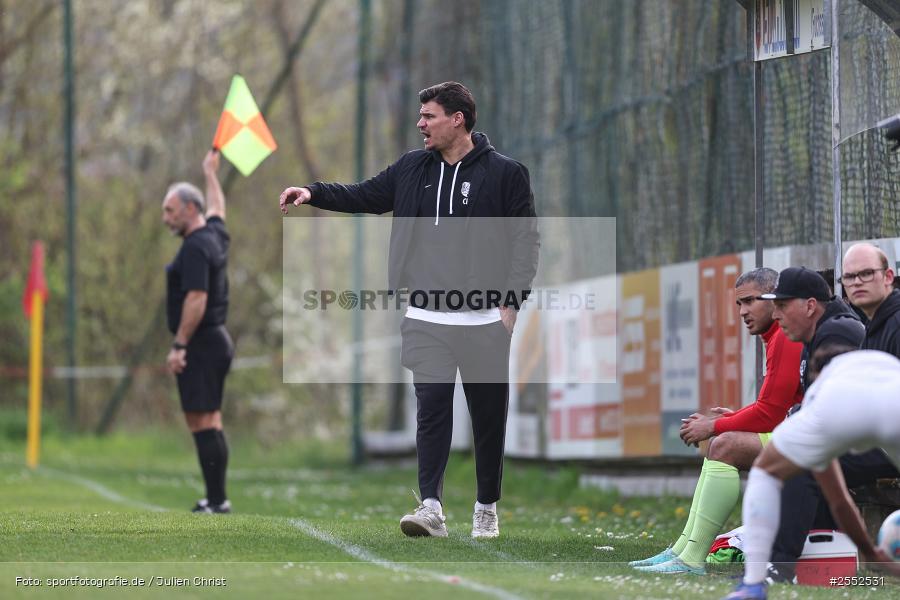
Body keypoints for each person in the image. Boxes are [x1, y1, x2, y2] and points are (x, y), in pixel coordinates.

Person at [279, 82, 539, 538]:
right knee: (432, 411)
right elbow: (364, 195)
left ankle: (486, 506)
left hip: (484, 321)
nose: (420, 123)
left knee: (488, 418)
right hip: (425, 318)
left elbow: (525, 241)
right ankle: (432, 507)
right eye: (420, 116)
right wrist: (313, 193)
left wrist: (512, 303)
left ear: (457, 118)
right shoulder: (410, 169)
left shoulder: (506, 174)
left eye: (429, 115)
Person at [630, 268, 803, 574]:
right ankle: (682, 549)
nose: (743, 311)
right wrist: (733, 418)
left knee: (724, 445)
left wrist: (713, 426)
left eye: (750, 301)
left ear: (774, 300)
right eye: (739, 304)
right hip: (795, 434)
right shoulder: (774, 335)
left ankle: (692, 558)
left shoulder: (785, 337)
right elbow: (774, 406)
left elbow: (771, 414)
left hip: (811, 442)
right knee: (721, 444)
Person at [765, 248, 900, 583]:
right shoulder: (874, 323)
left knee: (804, 458)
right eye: (849, 277)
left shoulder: (873, 326)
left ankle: (779, 567)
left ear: (888, 277)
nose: (856, 283)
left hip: (890, 442)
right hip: (883, 438)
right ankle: (827, 563)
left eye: (865, 274)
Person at [724, 346, 900, 600]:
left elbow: (840, 502)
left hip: (842, 404)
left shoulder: (821, 392)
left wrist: (870, 553)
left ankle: (753, 585)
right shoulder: (875, 366)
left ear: (814, 375)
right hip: (893, 398)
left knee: (766, 471)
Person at [163, 149, 235, 514]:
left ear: (191, 210)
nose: (166, 218)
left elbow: (196, 298)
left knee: (202, 419)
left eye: (170, 211)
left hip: (202, 343)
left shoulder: (194, 247)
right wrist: (210, 173)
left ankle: (218, 500)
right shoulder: (214, 235)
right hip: (216, 341)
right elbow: (218, 207)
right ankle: (216, 498)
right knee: (210, 419)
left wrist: (179, 344)